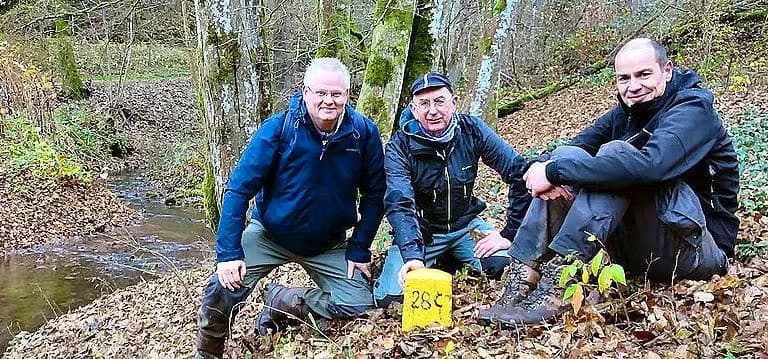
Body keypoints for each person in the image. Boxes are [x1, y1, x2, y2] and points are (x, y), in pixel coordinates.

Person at [478, 38, 739, 326]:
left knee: (617, 156)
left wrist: (553, 172)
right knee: (567, 156)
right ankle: (524, 272)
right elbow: (567, 152)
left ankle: (566, 280)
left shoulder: (693, 110)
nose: (633, 86)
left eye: (644, 74)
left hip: (698, 251)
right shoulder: (627, 112)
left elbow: (651, 167)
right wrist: (545, 168)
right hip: (641, 247)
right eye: (624, 78)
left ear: (667, 70)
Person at [194, 58, 386, 358]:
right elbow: (238, 189)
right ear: (306, 91)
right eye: (321, 93)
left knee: (360, 306)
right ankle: (208, 352)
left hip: (329, 242)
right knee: (222, 289)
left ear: (347, 95)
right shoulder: (280, 128)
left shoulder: (363, 133)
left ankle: (284, 299)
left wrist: (360, 247)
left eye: (336, 94)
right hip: (270, 234)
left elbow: (375, 194)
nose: (329, 101)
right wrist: (229, 254)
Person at [373, 72, 532, 307]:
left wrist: (509, 233)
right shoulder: (400, 147)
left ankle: (452, 257)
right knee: (392, 299)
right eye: (424, 104)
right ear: (413, 109)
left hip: (465, 226)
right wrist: (413, 256)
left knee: (506, 269)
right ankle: (432, 258)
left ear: (454, 103)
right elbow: (399, 203)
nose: (432, 111)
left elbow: (520, 172)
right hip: (423, 234)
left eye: (439, 101)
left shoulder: (472, 130)